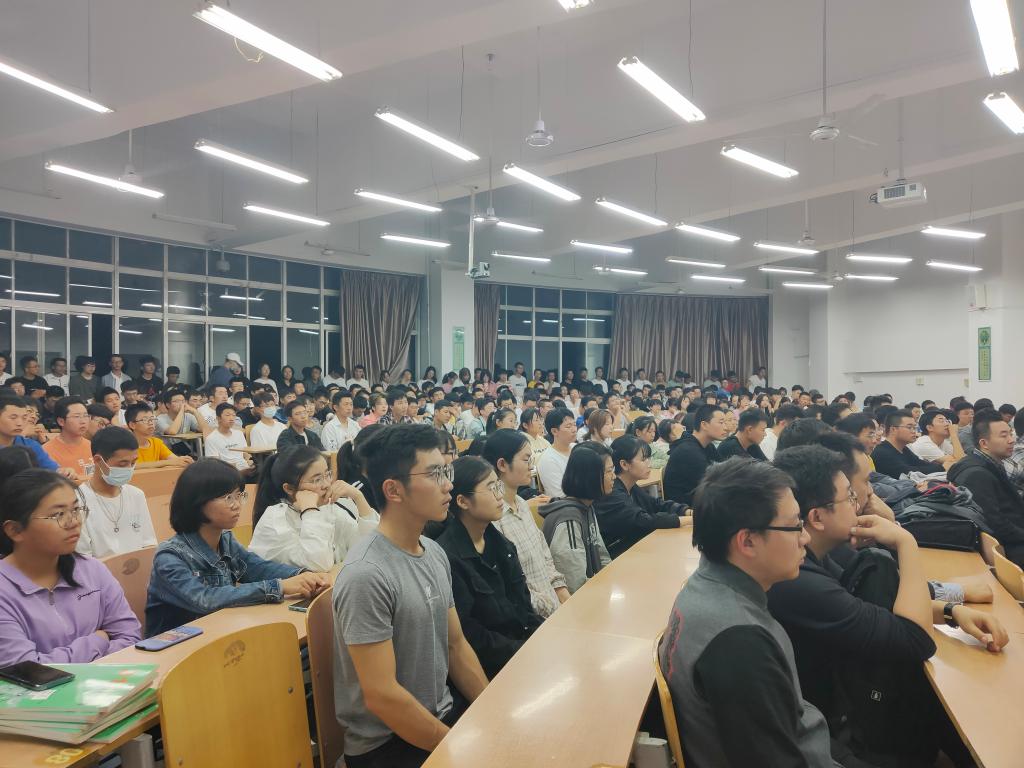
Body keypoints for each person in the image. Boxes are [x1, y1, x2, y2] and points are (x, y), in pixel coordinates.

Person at [770, 445, 1006, 765]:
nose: (864, 498)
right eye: (850, 496)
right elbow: (915, 640)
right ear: (817, 517)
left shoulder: (823, 555)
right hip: (834, 732)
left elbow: (869, 606)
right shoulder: (798, 580)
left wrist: (951, 612)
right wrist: (904, 542)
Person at [659, 457, 837, 767]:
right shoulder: (739, 643)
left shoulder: (705, 584)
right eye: (795, 525)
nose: (806, 537)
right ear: (748, 541)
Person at [332, 424, 488, 768]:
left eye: (446, 471)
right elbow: (382, 697)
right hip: (386, 744)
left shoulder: (433, 552)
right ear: (393, 490)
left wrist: (491, 711)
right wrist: (459, 748)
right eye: (434, 474)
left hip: (439, 716)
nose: (448, 485)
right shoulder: (366, 574)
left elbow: (456, 646)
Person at [145, 459, 328, 637]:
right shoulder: (170, 556)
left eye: (239, 495)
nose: (237, 505)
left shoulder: (225, 539)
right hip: (175, 647)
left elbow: (257, 567)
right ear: (197, 502)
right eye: (228, 498)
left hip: (218, 634)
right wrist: (279, 587)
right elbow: (204, 599)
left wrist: (302, 576)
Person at [0, 468, 142, 665]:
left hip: (110, 682)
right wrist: (98, 641)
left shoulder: (92, 570)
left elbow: (130, 636)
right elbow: (26, 669)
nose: (74, 522)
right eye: (58, 514)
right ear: (15, 530)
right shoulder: (4, 590)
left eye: (76, 510)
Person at [433, 456, 543, 678]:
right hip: (493, 669)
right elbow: (472, 637)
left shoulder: (501, 544)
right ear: (463, 501)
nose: (500, 495)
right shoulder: (447, 559)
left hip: (524, 651)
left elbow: (523, 606)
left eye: (498, 486)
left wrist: (544, 636)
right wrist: (527, 651)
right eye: (491, 488)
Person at [250, 445, 378, 570]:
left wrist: (359, 498)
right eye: (317, 480)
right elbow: (319, 564)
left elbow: (370, 549)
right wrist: (309, 510)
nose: (327, 485)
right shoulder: (275, 520)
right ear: (289, 488)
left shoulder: (328, 507)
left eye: (327, 475)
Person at [484, 429, 569, 617]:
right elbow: (514, 589)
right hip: (533, 619)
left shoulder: (522, 504)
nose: (532, 466)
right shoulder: (493, 519)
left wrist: (563, 594)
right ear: (502, 464)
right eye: (526, 459)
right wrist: (554, 610)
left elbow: (545, 556)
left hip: (554, 611)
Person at [948, 409, 1024, 567]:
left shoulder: (984, 462)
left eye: (1011, 434)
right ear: (984, 443)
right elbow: (995, 524)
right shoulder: (977, 475)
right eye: (1004, 436)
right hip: (1010, 548)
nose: (1011, 440)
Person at [593, 436, 688, 558]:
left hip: (633, 548)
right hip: (617, 555)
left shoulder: (631, 486)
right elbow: (644, 521)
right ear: (624, 464)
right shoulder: (613, 493)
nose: (649, 463)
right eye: (643, 459)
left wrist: (686, 511)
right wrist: (689, 520)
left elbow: (655, 504)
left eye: (648, 458)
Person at [539, 442, 614, 593]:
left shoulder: (587, 506)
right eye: (609, 471)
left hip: (595, 590)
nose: (614, 476)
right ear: (591, 477)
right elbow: (575, 584)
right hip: (578, 600)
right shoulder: (568, 520)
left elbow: (602, 556)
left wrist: (614, 579)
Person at [76, 426, 157, 558]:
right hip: (100, 570)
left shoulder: (136, 495)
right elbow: (83, 557)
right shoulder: (78, 501)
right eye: (122, 464)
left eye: (133, 463)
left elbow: (148, 543)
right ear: (98, 460)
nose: (129, 469)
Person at [664, 405, 726, 505]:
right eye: (721, 423)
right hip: (685, 508)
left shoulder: (707, 445)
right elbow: (714, 485)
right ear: (704, 425)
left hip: (702, 499)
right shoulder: (688, 451)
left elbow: (725, 471)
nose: (725, 428)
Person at [871, 409, 945, 480]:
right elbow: (908, 472)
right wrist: (943, 467)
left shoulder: (903, 448)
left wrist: (941, 467)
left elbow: (920, 463)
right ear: (893, 429)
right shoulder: (882, 453)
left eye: (915, 427)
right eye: (909, 427)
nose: (914, 431)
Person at [0, 394, 61, 471]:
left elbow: (52, 470)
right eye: (13, 417)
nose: (20, 423)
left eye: (24, 418)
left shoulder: (31, 445)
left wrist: (63, 471)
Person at [126, 403, 191, 468]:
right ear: (132, 425)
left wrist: (184, 460)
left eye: (152, 419)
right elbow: (131, 466)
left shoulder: (156, 443)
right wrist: (167, 462)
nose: (151, 423)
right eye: (145, 420)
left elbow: (175, 460)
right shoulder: (125, 446)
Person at [42, 396, 94, 478]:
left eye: (86, 416)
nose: (83, 421)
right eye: (77, 416)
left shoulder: (93, 446)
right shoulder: (46, 451)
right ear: (61, 421)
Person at [203, 403, 256, 477]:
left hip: (244, 469)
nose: (231, 418)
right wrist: (236, 467)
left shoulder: (239, 434)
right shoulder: (211, 438)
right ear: (218, 418)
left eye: (234, 415)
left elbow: (245, 453)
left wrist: (250, 462)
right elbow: (214, 464)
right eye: (227, 415)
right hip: (226, 473)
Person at [536, 407, 577, 497]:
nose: (574, 429)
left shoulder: (576, 448)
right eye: (568, 426)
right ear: (554, 431)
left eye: (574, 424)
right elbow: (559, 495)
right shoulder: (548, 460)